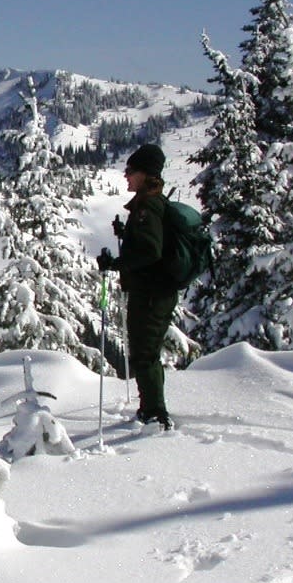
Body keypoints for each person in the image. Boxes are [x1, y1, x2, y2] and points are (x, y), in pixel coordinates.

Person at [96, 143, 178, 430]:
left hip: (152, 292)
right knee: (145, 351)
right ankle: (150, 408)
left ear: (144, 174)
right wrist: (127, 233)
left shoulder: (147, 206)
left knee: (145, 353)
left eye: (131, 170)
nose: (126, 175)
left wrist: (116, 264)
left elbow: (150, 252)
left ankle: (155, 414)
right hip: (154, 291)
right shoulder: (151, 203)